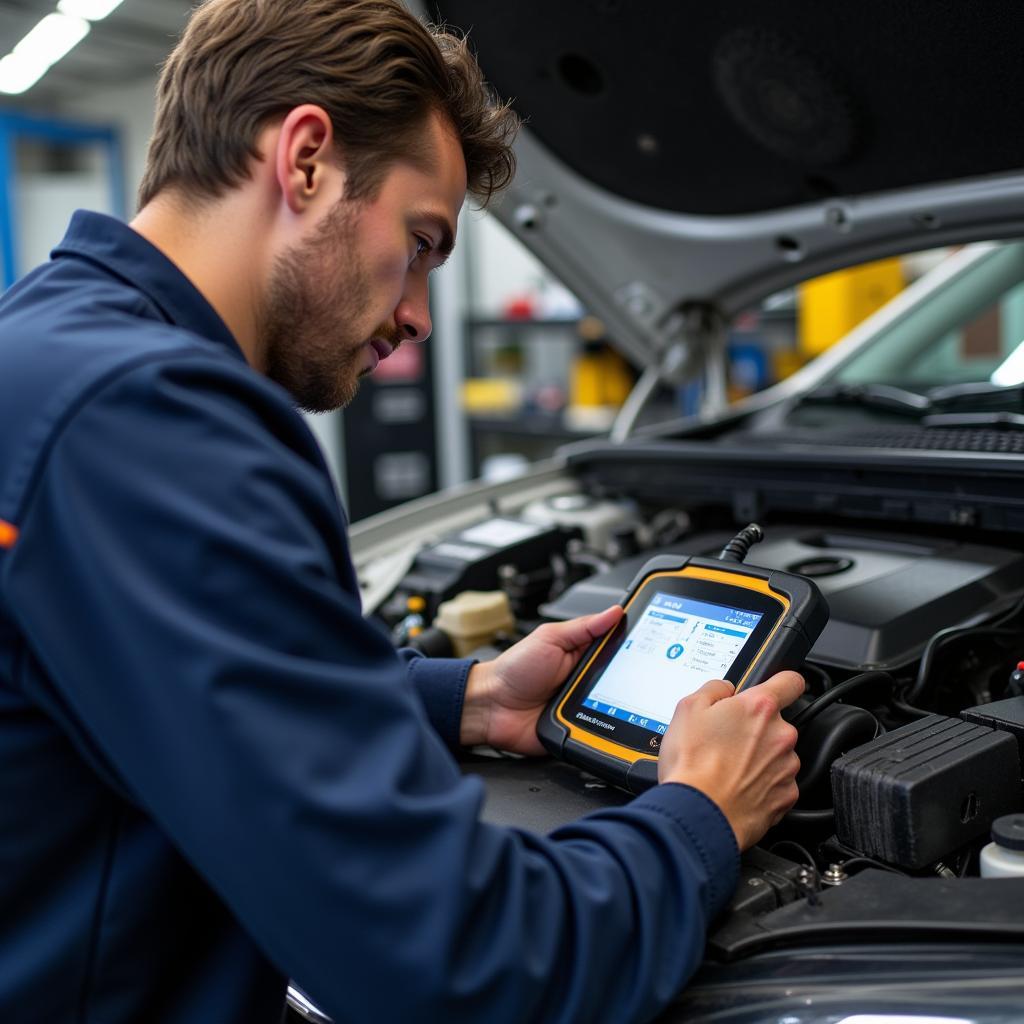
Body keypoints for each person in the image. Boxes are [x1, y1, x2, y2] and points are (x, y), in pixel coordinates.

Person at [0, 1, 803, 1021]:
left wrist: (463, 699)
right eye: (420, 243)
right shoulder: (157, 423)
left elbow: (144, 673)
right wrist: (699, 813)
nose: (418, 313)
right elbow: (455, 965)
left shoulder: (44, 348)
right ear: (303, 162)